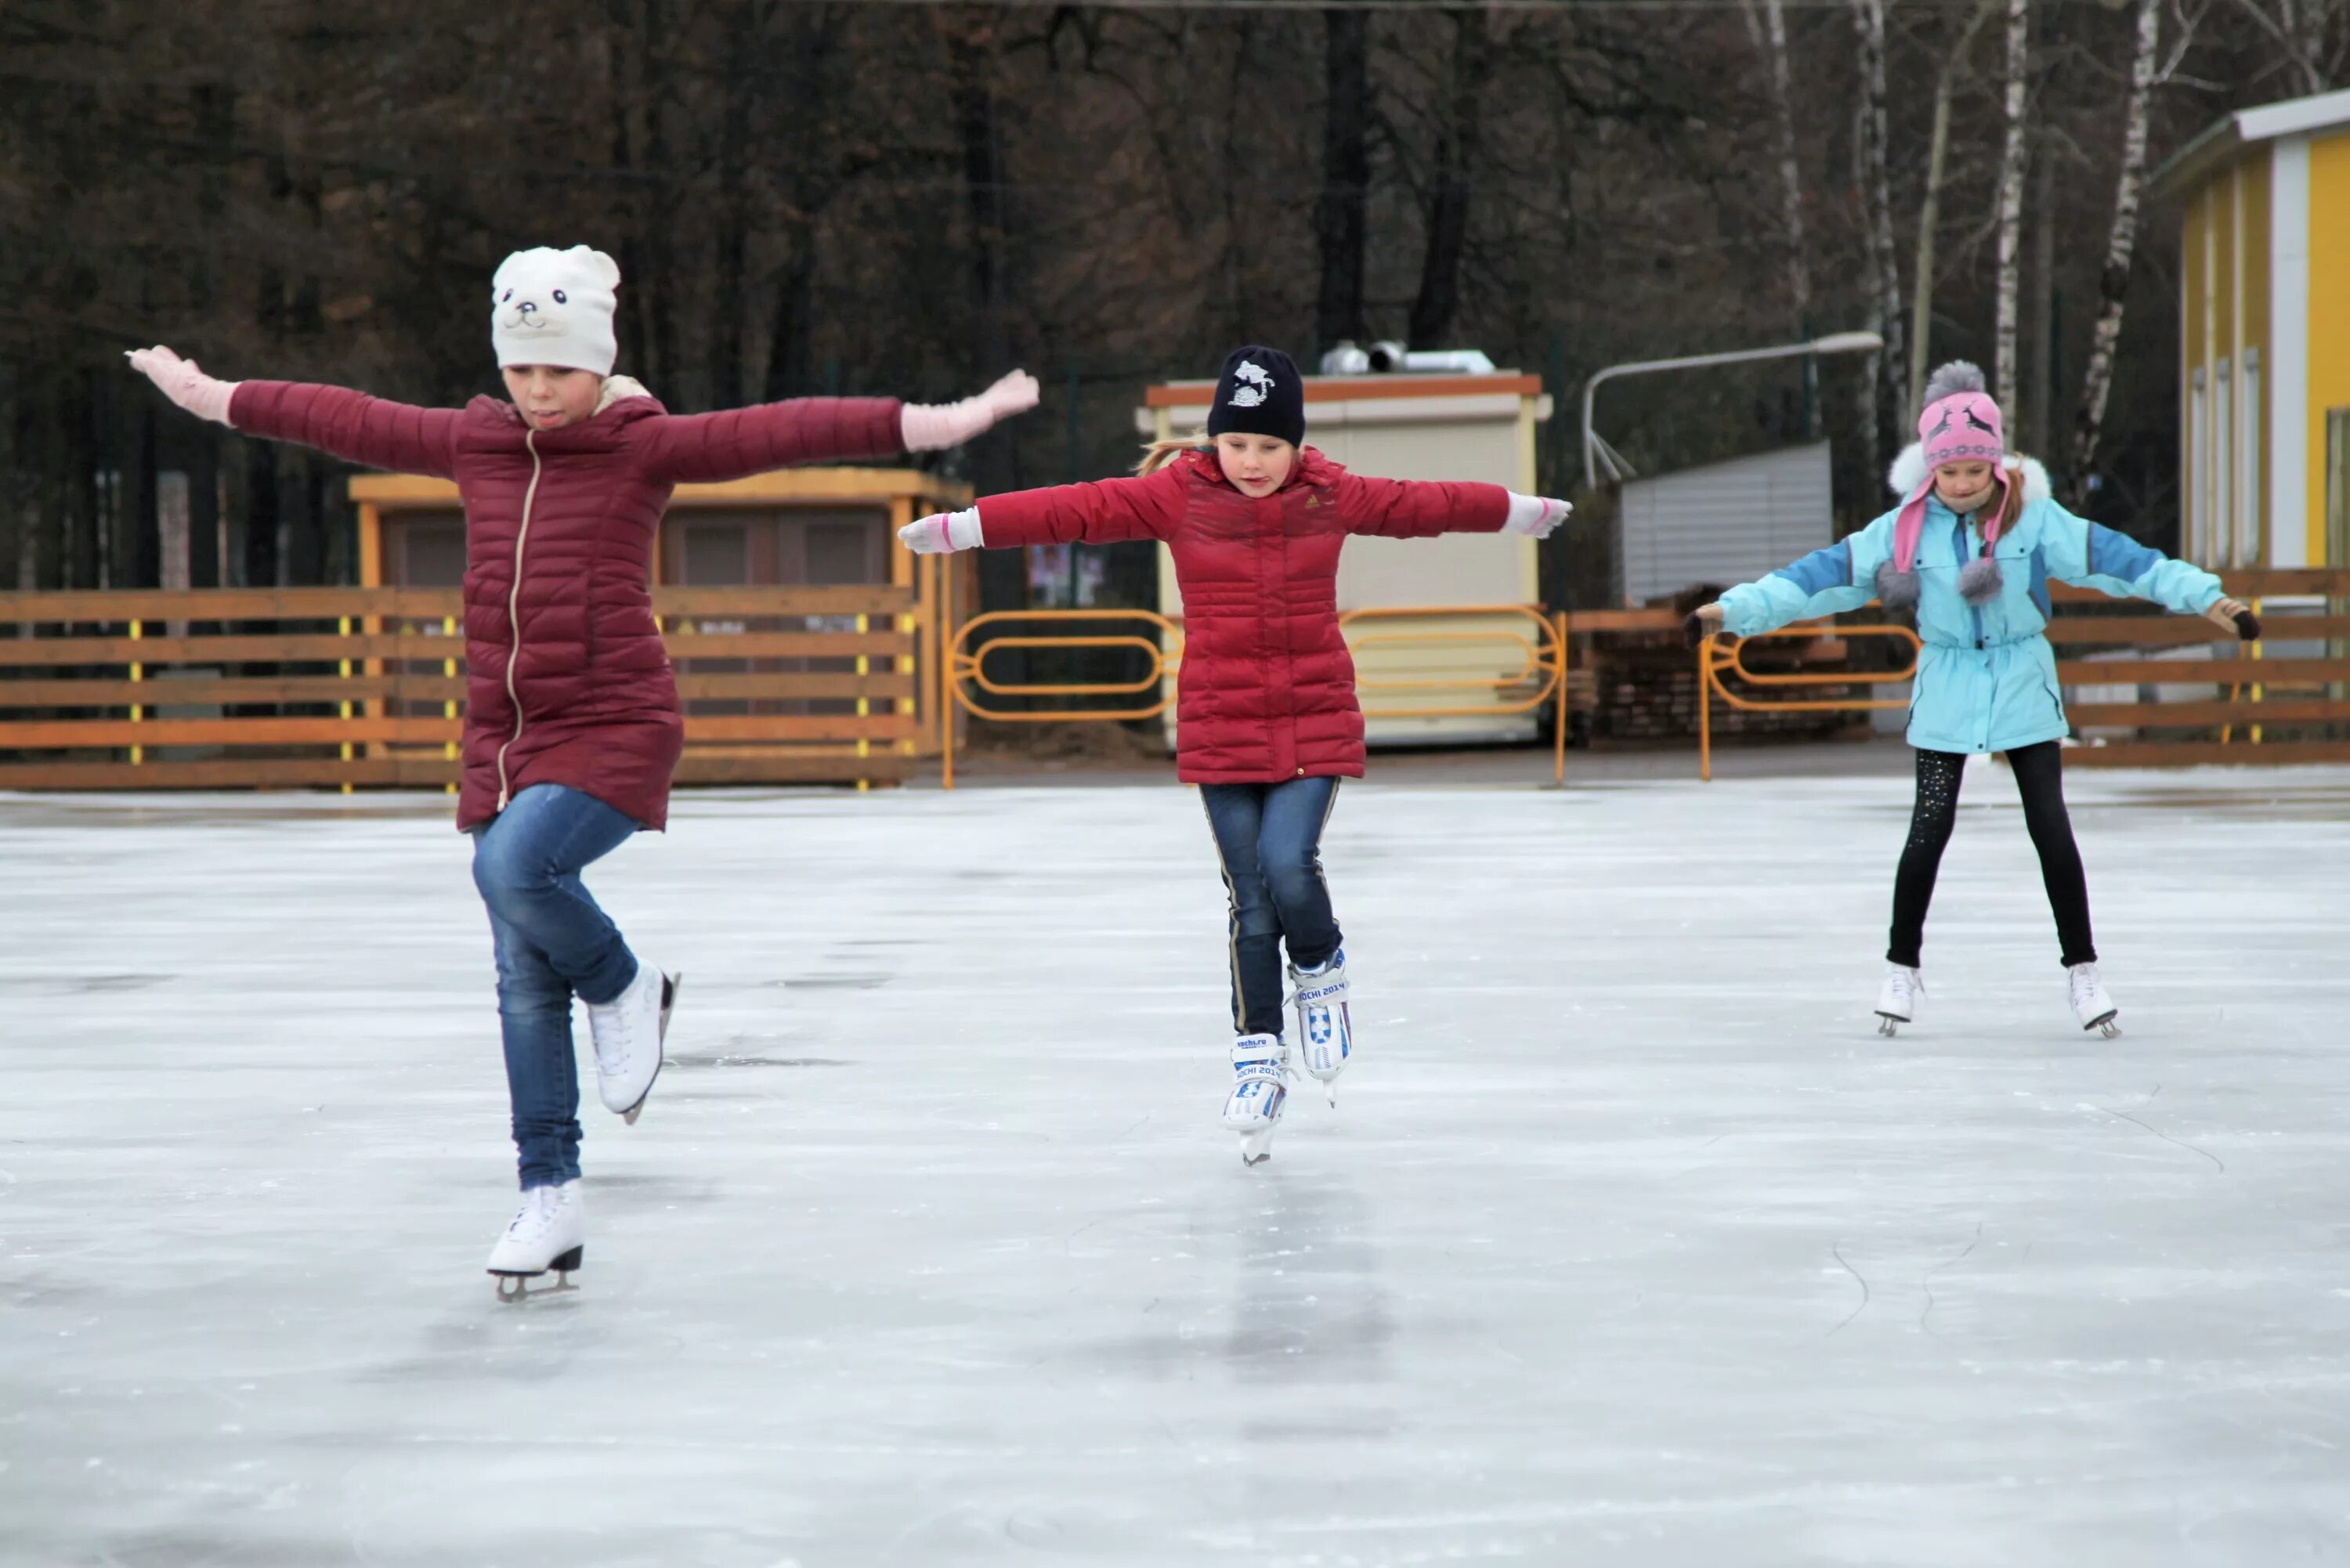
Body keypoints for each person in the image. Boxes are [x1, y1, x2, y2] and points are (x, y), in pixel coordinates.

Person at [129, 245, 1038, 1295]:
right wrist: (210, 395)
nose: (537, 388)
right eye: (521, 368)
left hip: (616, 722)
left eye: (557, 369)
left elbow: (778, 431)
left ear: (598, 363)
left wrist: (932, 423)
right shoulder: (476, 442)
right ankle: (548, 1196)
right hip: (503, 738)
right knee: (521, 978)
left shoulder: (637, 449)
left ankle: (626, 983)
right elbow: (344, 416)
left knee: (515, 871)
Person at [900, 345, 1571, 1163]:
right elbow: (1074, 511)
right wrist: (966, 527)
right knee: (1250, 901)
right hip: (1221, 727)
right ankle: (1259, 1053)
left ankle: (1320, 970)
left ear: (1296, 447)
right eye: (1237, 444)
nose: (1251, 462)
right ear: (1214, 439)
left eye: (1269, 446)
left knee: (1290, 866)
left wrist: (1517, 510)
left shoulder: (1329, 494)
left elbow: (1419, 504)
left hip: (1312, 718)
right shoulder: (1177, 495)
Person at [1684, 361, 2258, 1039]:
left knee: (2050, 825)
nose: (1961, 484)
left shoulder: (2034, 521)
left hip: (2022, 682)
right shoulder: (1900, 531)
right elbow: (1813, 580)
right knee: (1929, 826)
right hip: (1948, 687)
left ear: (1996, 468)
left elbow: (2126, 561)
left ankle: (2083, 971)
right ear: (1931, 470)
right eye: (1949, 472)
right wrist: (1733, 611)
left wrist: (2208, 598)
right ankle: (1901, 967)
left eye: (1974, 472)